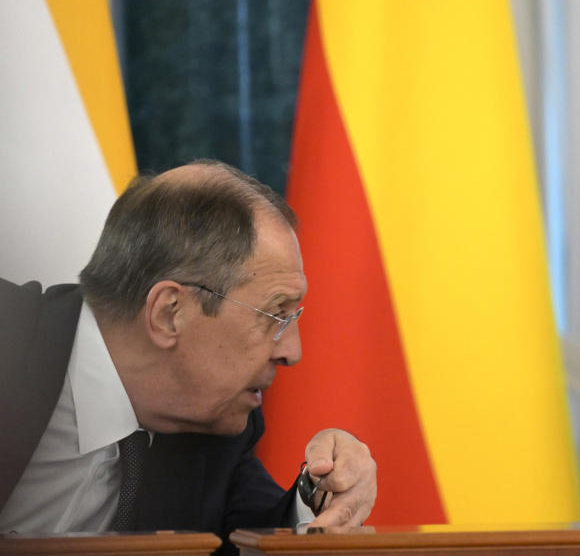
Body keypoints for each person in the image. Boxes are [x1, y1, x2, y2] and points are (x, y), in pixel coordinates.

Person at [0, 160, 377, 553]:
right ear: (168, 313)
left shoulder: (213, 422)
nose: (292, 353)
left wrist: (320, 491)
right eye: (275, 314)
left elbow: (254, 538)